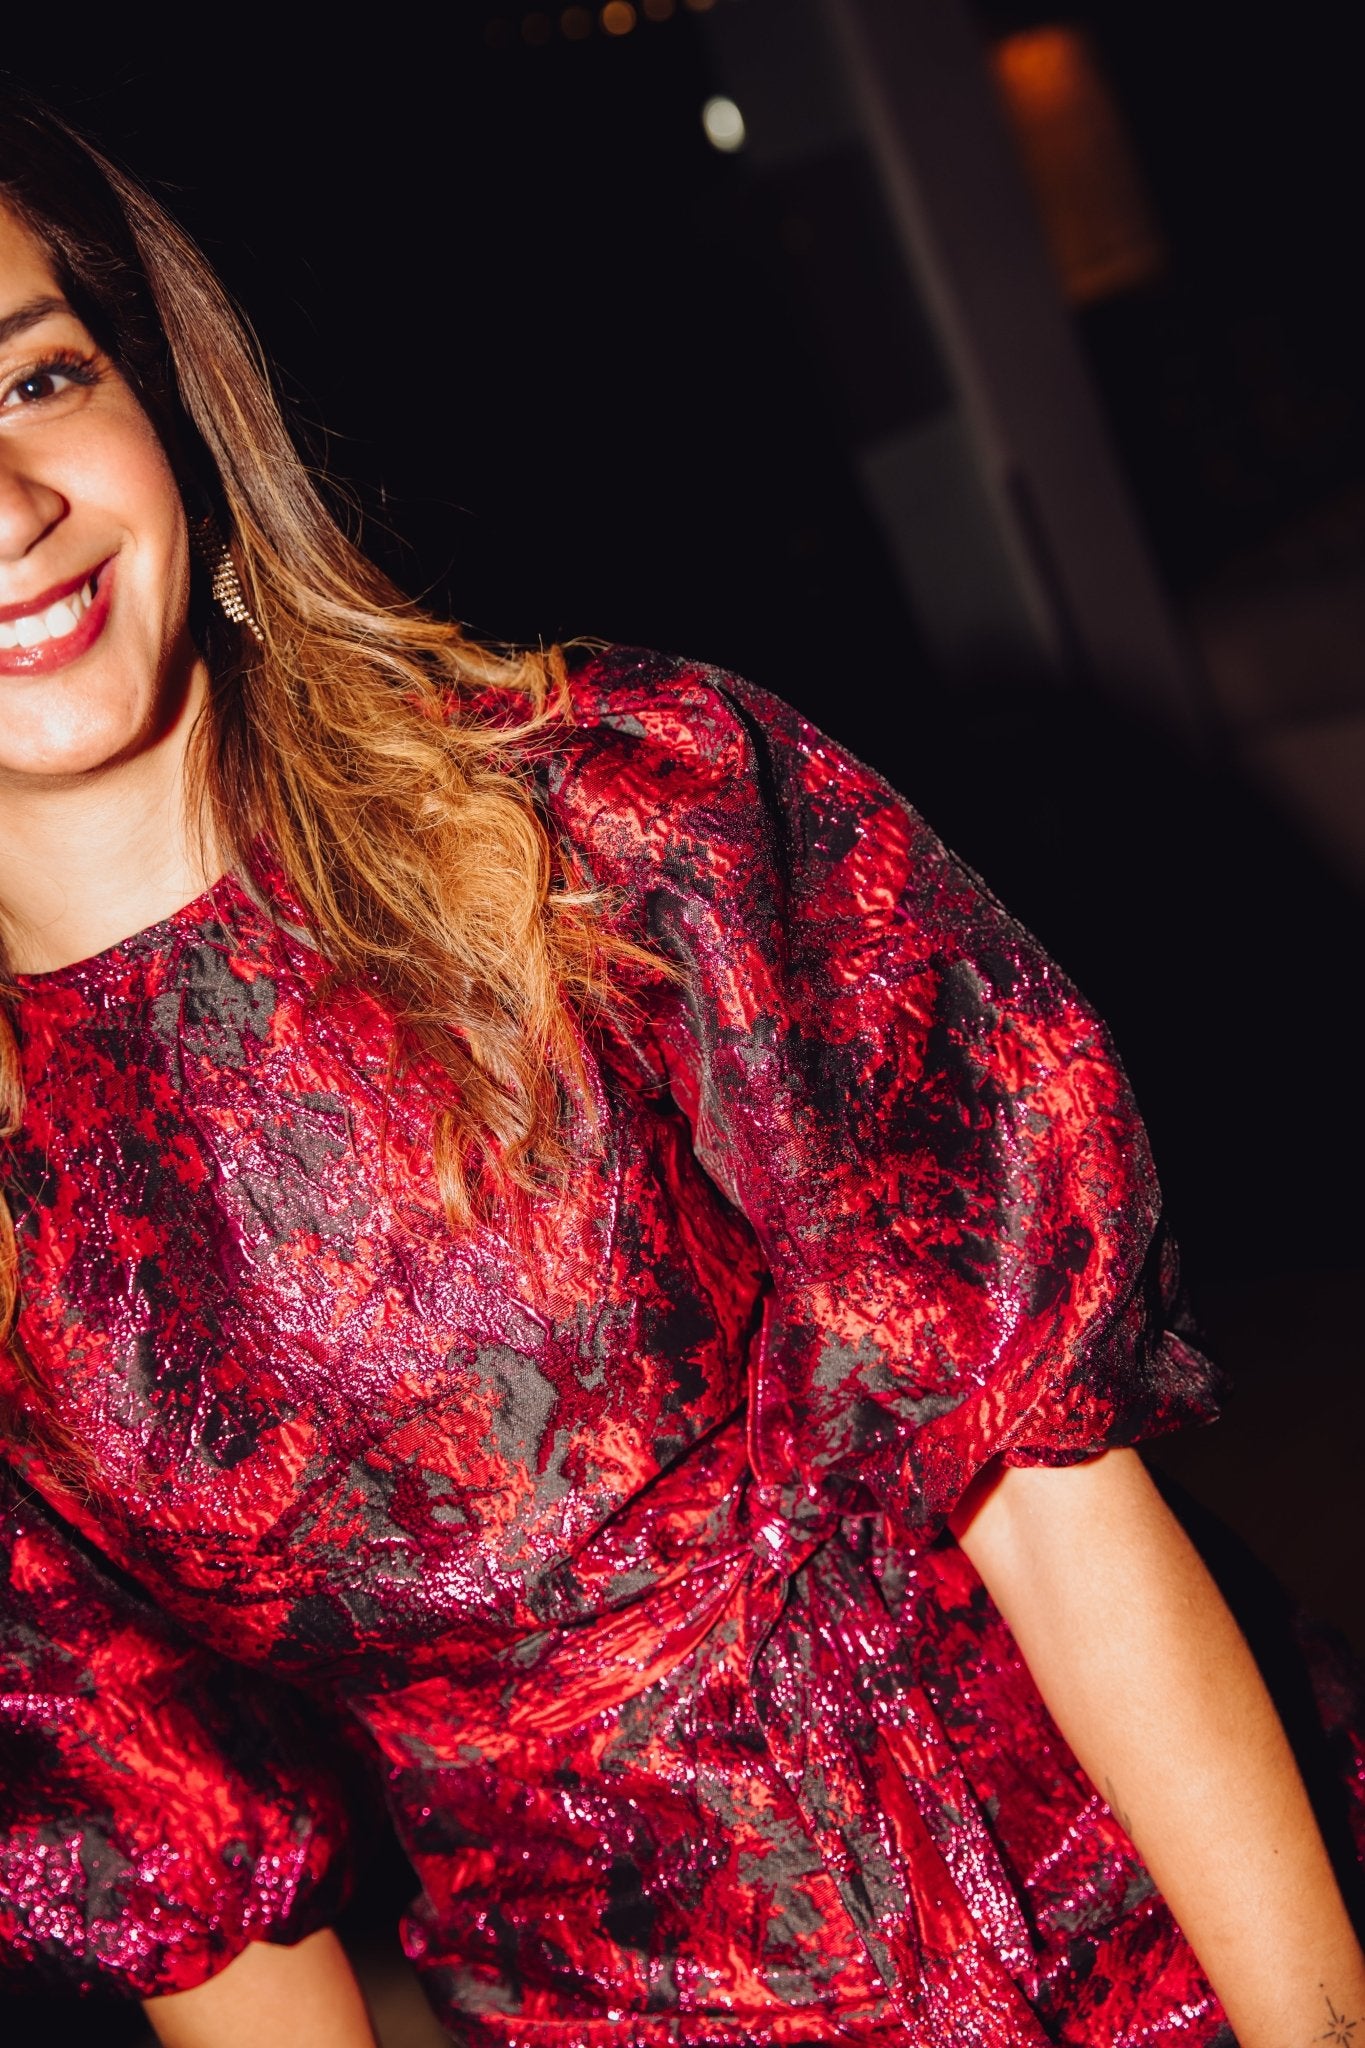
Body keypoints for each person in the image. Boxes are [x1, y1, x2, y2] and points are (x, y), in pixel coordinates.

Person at [0, 89, 1361, 2048]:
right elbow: (198, 1889)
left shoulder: (623, 815)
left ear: (160, 400)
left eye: (37, 377)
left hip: (1141, 1927)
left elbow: (1049, 1498)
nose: (11, 502)